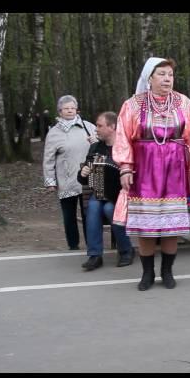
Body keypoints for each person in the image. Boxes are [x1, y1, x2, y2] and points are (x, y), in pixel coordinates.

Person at [113, 57, 190, 291]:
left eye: (170, 75)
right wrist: (125, 167)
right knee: (146, 225)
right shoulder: (133, 104)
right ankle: (147, 273)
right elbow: (122, 136)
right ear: (150, 78)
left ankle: (167, 271)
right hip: (144, 168)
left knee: (171, 225)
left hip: (175, 168)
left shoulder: (183, 103)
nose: (167, 79)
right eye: (162, 74)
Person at [77, 111, 135, 271]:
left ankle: (126, 250)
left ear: (112, 127)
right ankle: (95, 255)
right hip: (101, 192)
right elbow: (84, 178)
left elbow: (134, 174)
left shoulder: (125, 147)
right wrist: (83, 173)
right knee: (94, 207)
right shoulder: (95, 148)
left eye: (100, 126)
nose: (96, 129)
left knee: (110, 209)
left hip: (123, 195)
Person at [43, 95, 97, 250]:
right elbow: (48, 159)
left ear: (77, 109)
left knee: (89, 214)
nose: (70, 111)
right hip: (66, 180)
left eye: (72, 108)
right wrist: (50, 182)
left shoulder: (89, 126)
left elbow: (101, 145)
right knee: (69, 215)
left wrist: (96, 142)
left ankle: (91, 244)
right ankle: (73, 245)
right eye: (66, 108)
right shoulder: (54, 133)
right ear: (60, 111)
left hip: (88, 179)